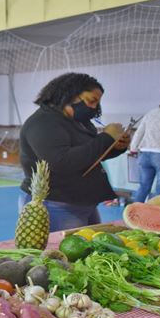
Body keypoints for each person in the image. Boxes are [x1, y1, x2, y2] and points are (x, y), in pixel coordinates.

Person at [19, 73, 129, 232]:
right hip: (56, 204)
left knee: (88, 250)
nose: (94, 107)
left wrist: (116, 146)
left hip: (81, 202)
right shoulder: (43, 122)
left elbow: (89, 154)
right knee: (63, 253)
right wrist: (106, 137)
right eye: (91, 101)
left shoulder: (80, 123)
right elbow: (62, 162)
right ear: (69, 94)